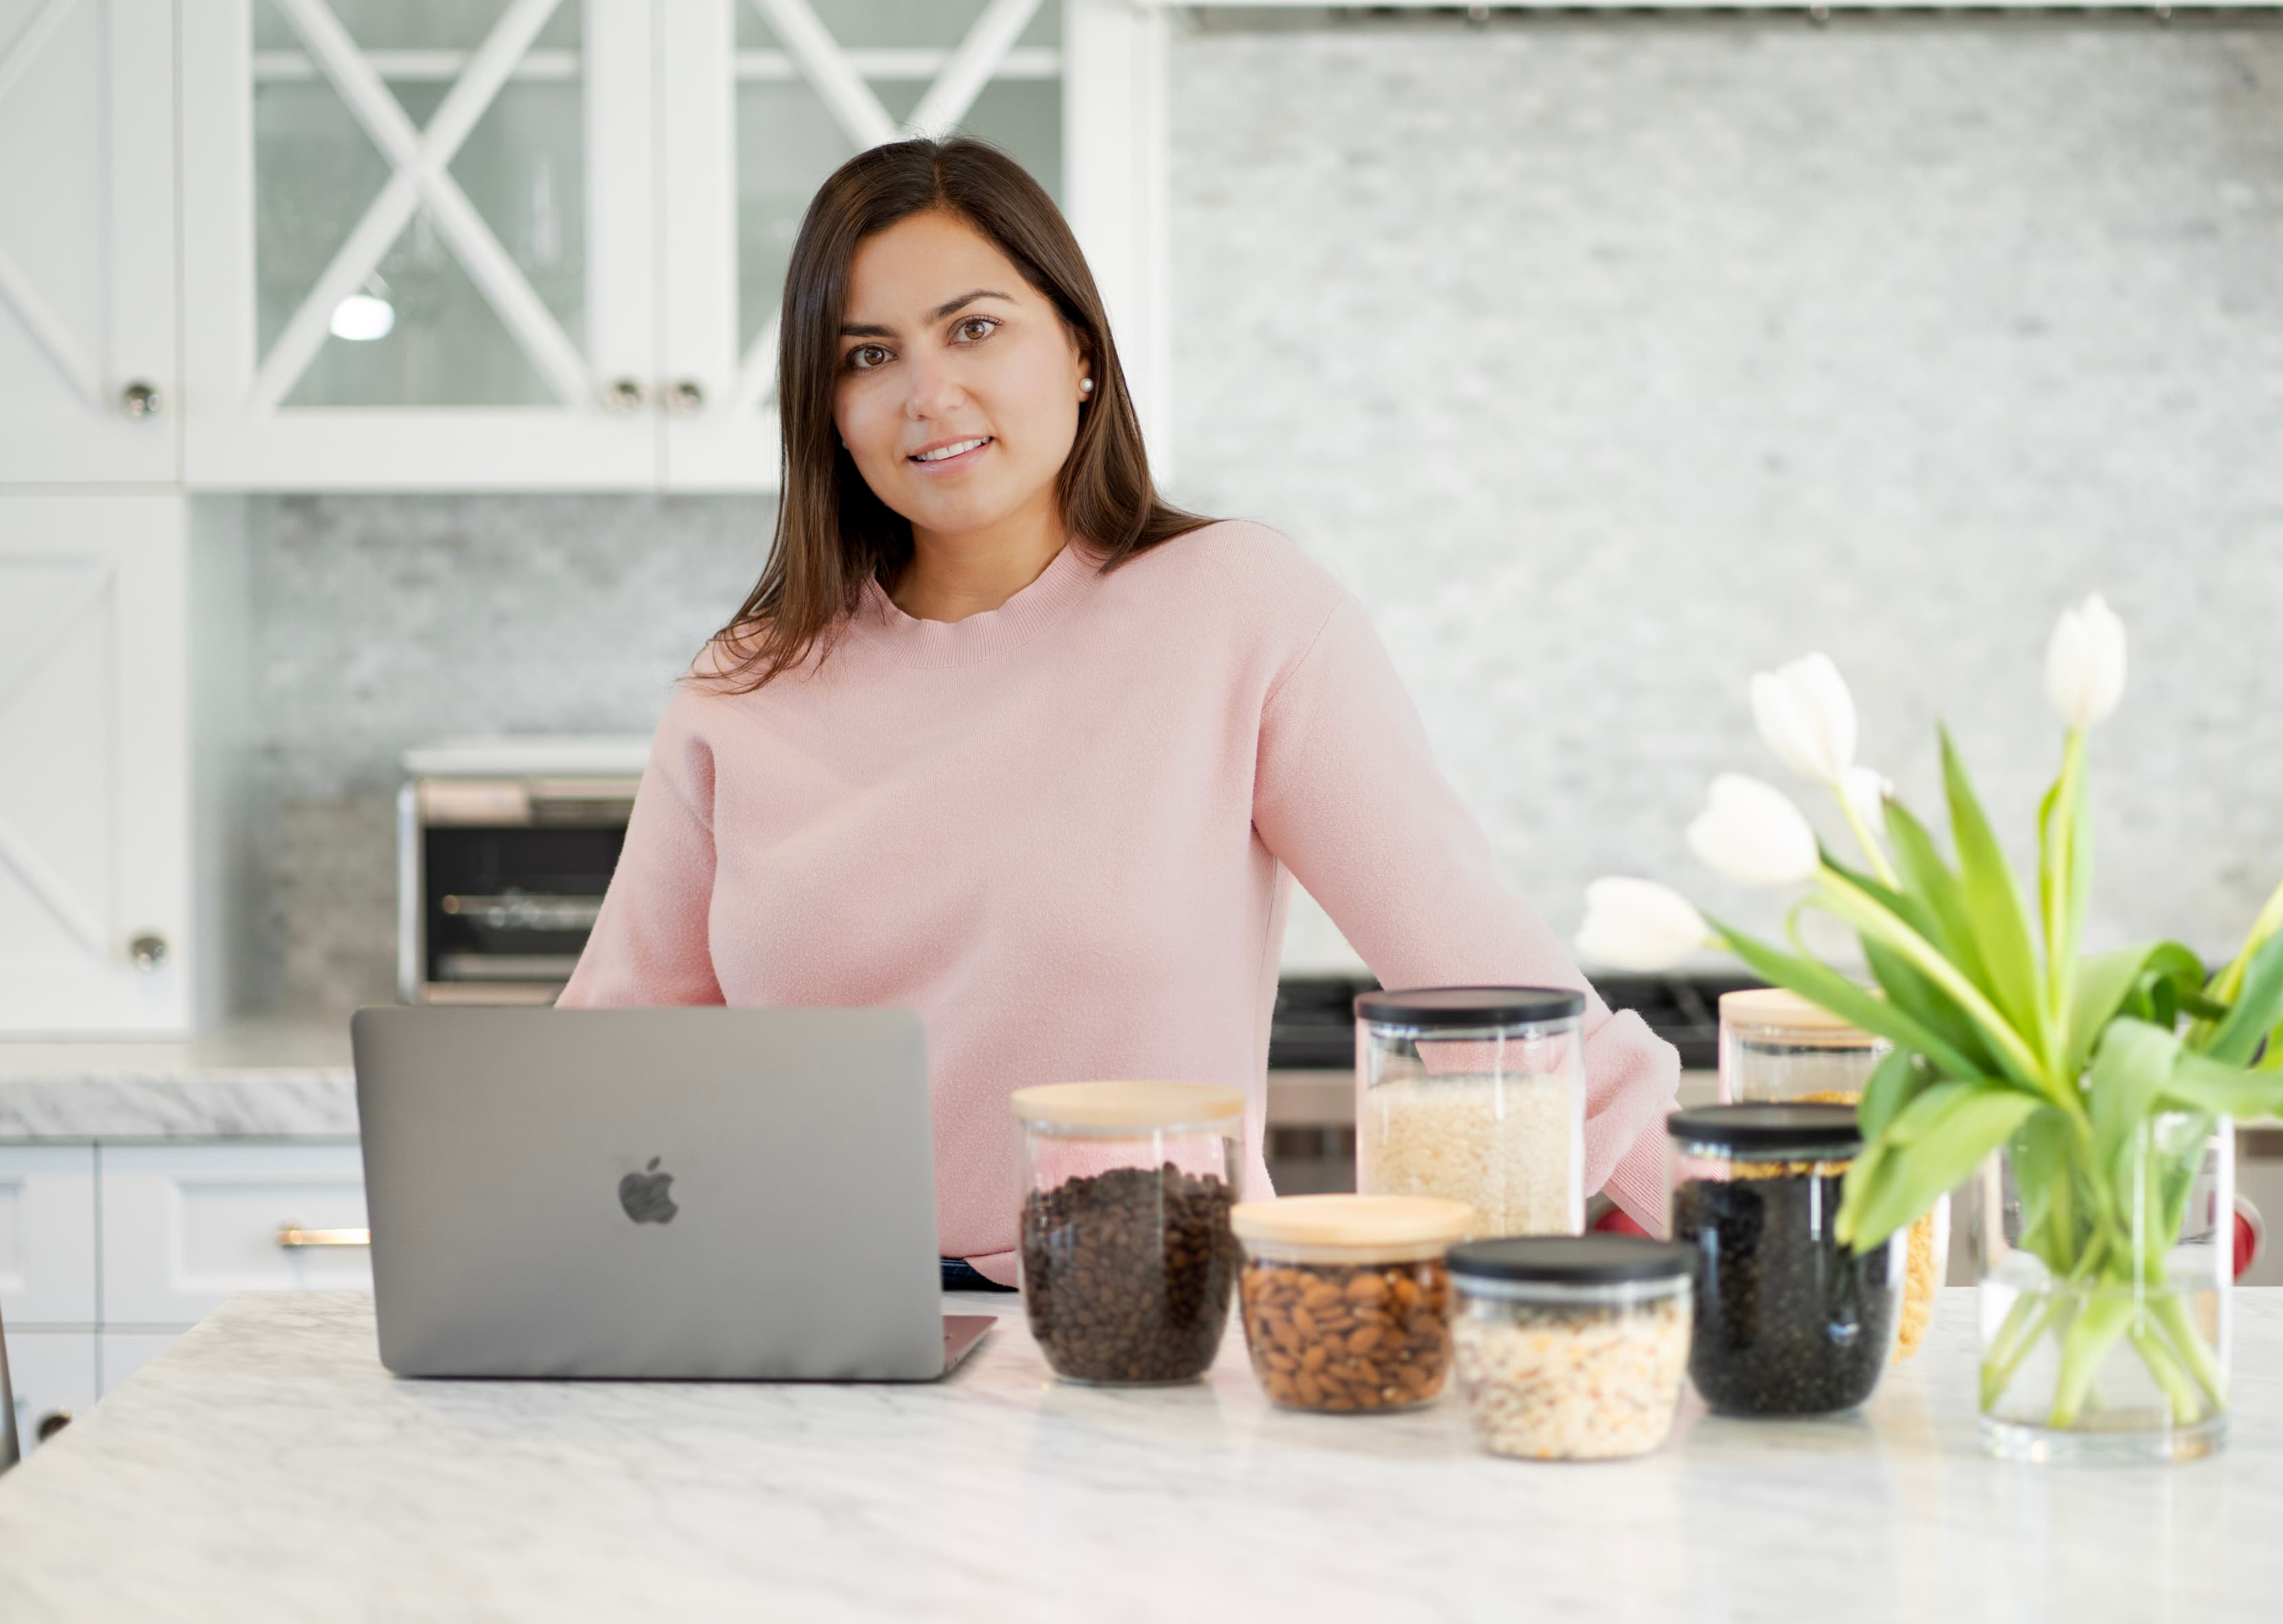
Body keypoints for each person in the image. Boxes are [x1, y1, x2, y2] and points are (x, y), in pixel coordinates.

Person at [559, 138, 1680, 1286]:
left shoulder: (1239, 609)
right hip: (799, 1328)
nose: (928, 391)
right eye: (868, 353)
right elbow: (604, 1067)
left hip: (1150, 1335)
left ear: (1081, 351)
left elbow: (1482, 979)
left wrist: (1752, 1228)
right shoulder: (742, 685)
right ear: (828, 409)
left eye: (975, 327)